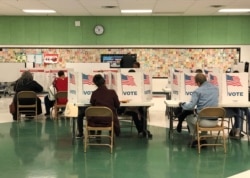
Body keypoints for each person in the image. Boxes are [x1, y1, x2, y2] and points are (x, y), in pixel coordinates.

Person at [76, 74, 120, 138]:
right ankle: (111, 136)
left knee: (81, 114)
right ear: (104, 81)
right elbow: (117, 105)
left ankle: (82, 133)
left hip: (97, 120)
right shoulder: (112, 92)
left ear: (95, 84)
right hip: (109, 120)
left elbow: (93, 106)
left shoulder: (94, 93)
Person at [179, 73, 219, 144]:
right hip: (215, 121)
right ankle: (203, 137)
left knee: (188, 117)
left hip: (203, 122)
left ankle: (194, 138)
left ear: (198, 82)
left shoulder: (197, 91)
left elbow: (191, 106)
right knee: (205, 113)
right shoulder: (216, 89)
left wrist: (182, 104)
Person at [175, 69, 203, 133]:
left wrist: (182, 104)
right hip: (201, 113)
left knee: (187, 110)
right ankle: (182, 122)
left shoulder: (199, 89)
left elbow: (192, 104)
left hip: (197, 112)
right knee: (185, 110)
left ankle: (180, 121)